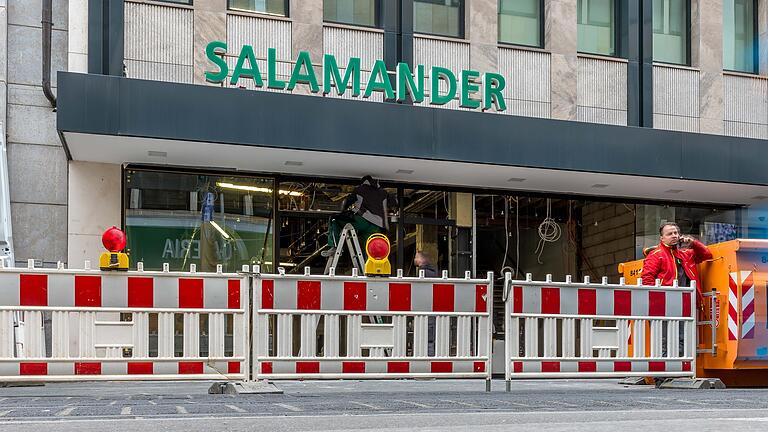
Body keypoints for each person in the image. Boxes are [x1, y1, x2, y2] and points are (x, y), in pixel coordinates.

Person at [641, 221, 712, 361]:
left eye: (676, 233)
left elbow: (706, 255)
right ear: (662, 238)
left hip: (683, 306)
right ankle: (661, 376)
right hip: (662, 306)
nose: (674, 236)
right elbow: (646, 279)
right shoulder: (656, 255)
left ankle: (677, 373)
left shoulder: (685, 254)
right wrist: (655, 302)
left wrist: (693, 243)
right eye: (669, 234)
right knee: (663, 341)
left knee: (681, 339)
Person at [322, 175, 397, 257]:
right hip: (377, 226)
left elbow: (347, 202)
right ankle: (367, 268)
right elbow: (394, 202)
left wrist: (343, 212)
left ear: (363, 182)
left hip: (362, 221)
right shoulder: (383, 192)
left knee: (334, 220)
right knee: (369, 252)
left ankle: (335, 246)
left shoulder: (360, 189)